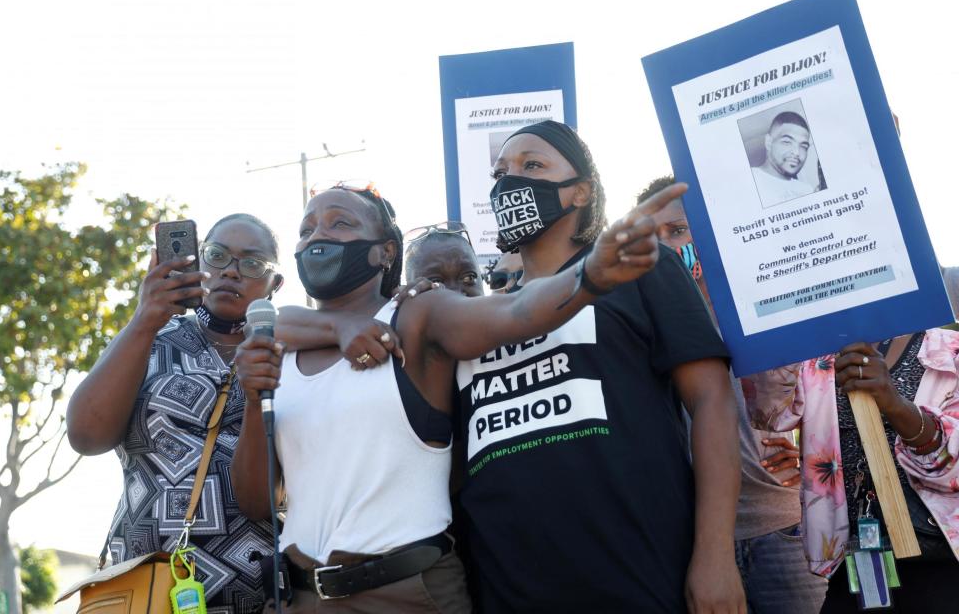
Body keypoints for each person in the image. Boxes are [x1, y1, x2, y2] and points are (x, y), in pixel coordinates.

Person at [231, 180, 684, 612]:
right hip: (301, 596)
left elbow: (515, 309)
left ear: (385, 252)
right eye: (307, 228)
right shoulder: (281, 345)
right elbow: (256, 502)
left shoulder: (415, 316)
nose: (318, 236)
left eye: (340, 223)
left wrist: (586, 277)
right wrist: (256, 397)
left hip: (405, 594)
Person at [456, 120, 744, 612]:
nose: (509, 182)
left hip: (639, 577)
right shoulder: (479, 319)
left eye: (532, 166)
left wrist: (715, 554)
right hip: (509, 590)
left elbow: (711, 399)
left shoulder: (637, 267)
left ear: (580, 192)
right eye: (500, 171)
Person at [66, 213, 285, 614]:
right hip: (144, 587)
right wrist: (145, 317)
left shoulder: (290, 356)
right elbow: (86, 435)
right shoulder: (150, 339)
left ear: (275, 284)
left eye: (252, 264)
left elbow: (266, 498)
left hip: (255, 593)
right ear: (199, 261)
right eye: (217, 256)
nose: (231, 273)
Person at [641, 176, 828, 614]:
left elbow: (825, 401)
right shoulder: (643, 327)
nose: (666, 247)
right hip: (690, 544)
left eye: (678, 231)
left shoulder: (769, 311)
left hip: (786, 535)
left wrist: (813, 457)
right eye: (652, 237)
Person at [747, 330, 959, 611]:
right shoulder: (818, 357)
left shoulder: (949, 352)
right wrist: (784, 325)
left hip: (941, 567)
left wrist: (894, 403)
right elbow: (767, 412)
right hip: (852, 563)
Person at [750, 111, 819, 208]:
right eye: (787, 142)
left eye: (803, 146)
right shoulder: (750, 180)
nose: (797, 153)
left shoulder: (807, 189)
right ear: (769, 142)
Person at [404, 221, 484, 297]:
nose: (456, 295)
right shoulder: (401, 310)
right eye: (435, 283)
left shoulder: (495, 308)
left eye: (469, 277)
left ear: (482, 277)